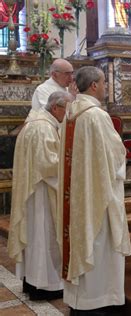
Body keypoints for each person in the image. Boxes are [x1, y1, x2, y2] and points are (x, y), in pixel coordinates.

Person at [57, 66, 131, 314]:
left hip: (77, 194)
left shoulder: (71, 112)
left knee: (82, 238)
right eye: (104, 82)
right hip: (98, 193)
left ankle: (80, 302)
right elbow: (114, 156)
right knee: (99, 244)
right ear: (94, 86)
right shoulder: (97, 116)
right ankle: (99, 301)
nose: (106, 87)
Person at [7, 91, 71, 301]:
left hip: (33, 190)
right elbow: (49, 165)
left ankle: (32, 279)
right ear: (56, 108)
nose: (68, 114)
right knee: (45, 237)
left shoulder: (35, 122)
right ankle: (46, 285)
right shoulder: (44, 128)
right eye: (66, 109)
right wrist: (73, 167)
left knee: (36, 238)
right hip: (43, 192)